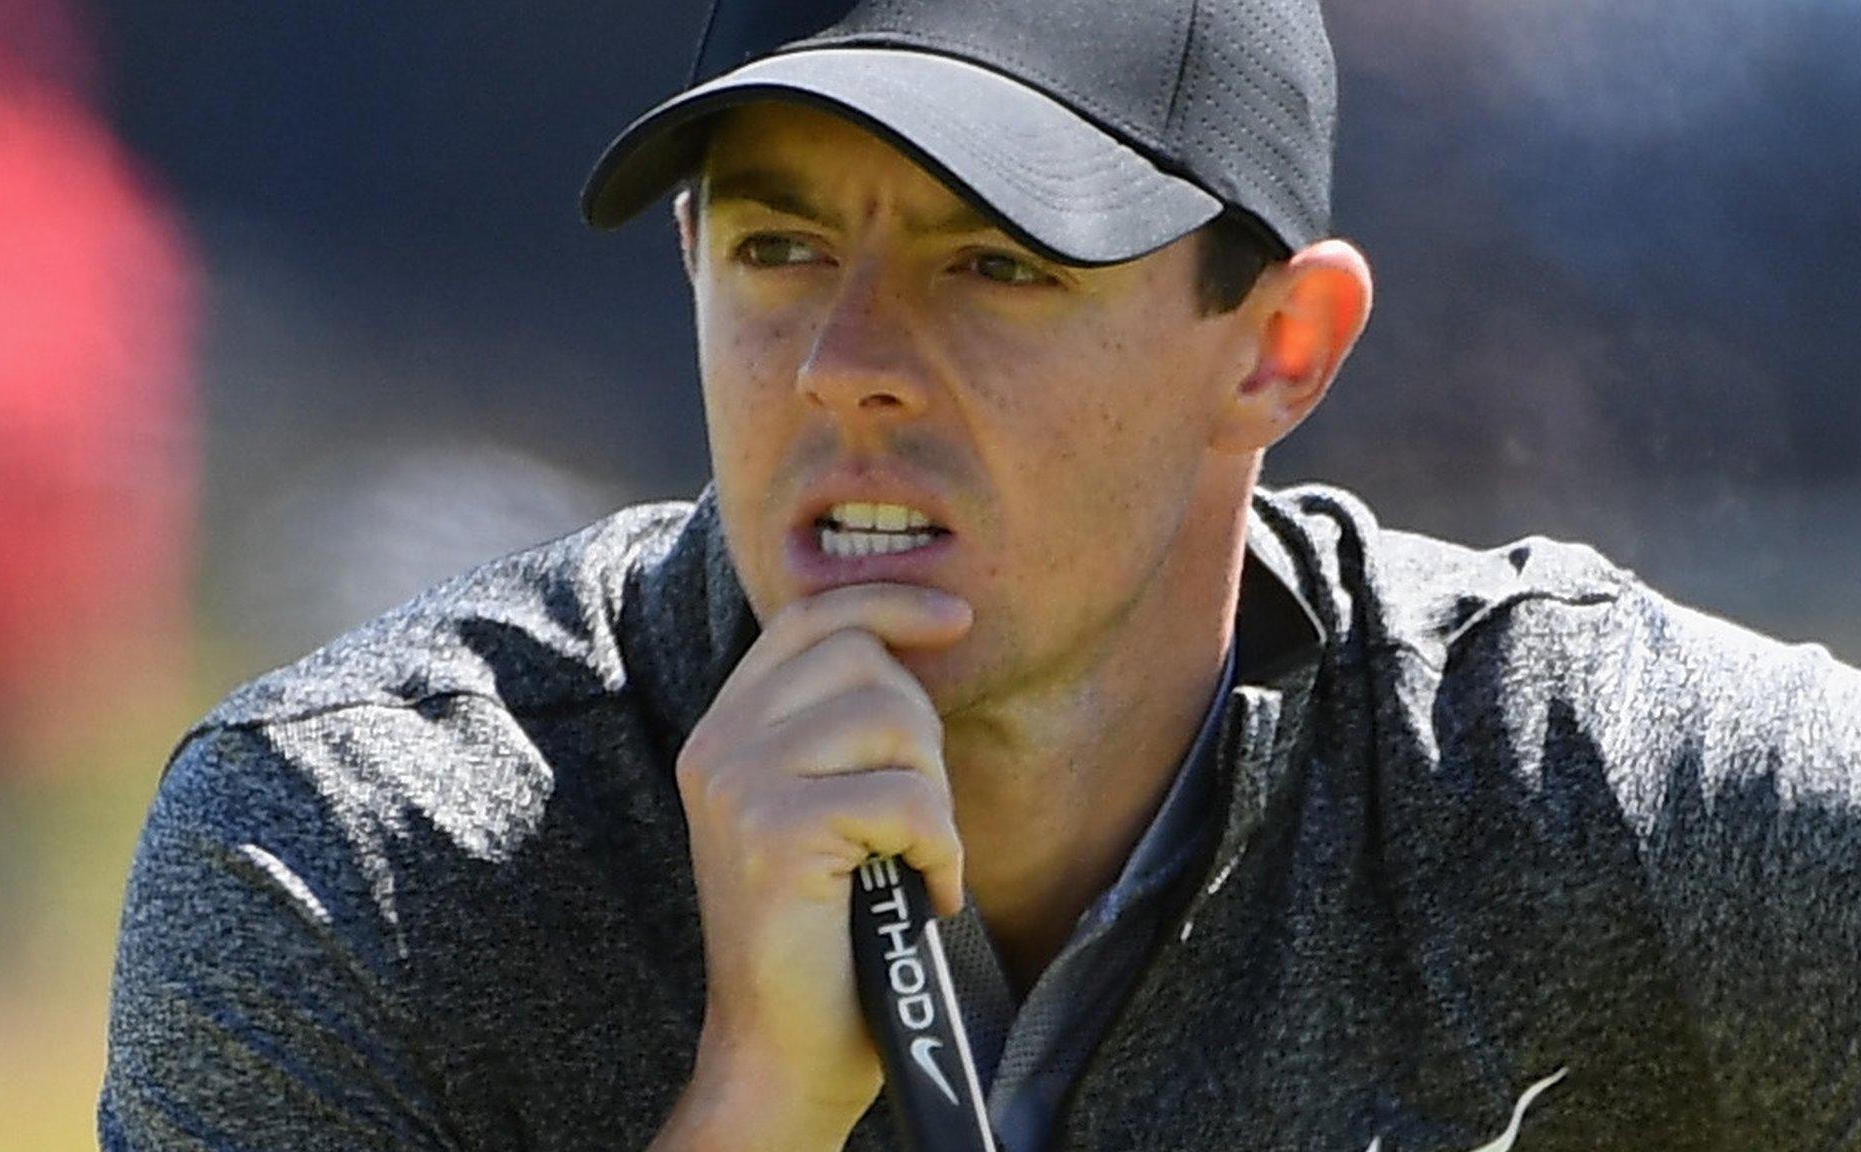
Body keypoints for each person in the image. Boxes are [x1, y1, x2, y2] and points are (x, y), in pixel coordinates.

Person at [99, 0, 1861, 1148]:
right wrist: (756, 1103)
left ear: (1282, 348)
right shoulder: (353, 858)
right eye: (779, 247)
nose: (844, 363)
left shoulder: (1605, 797)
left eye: (998, 264)